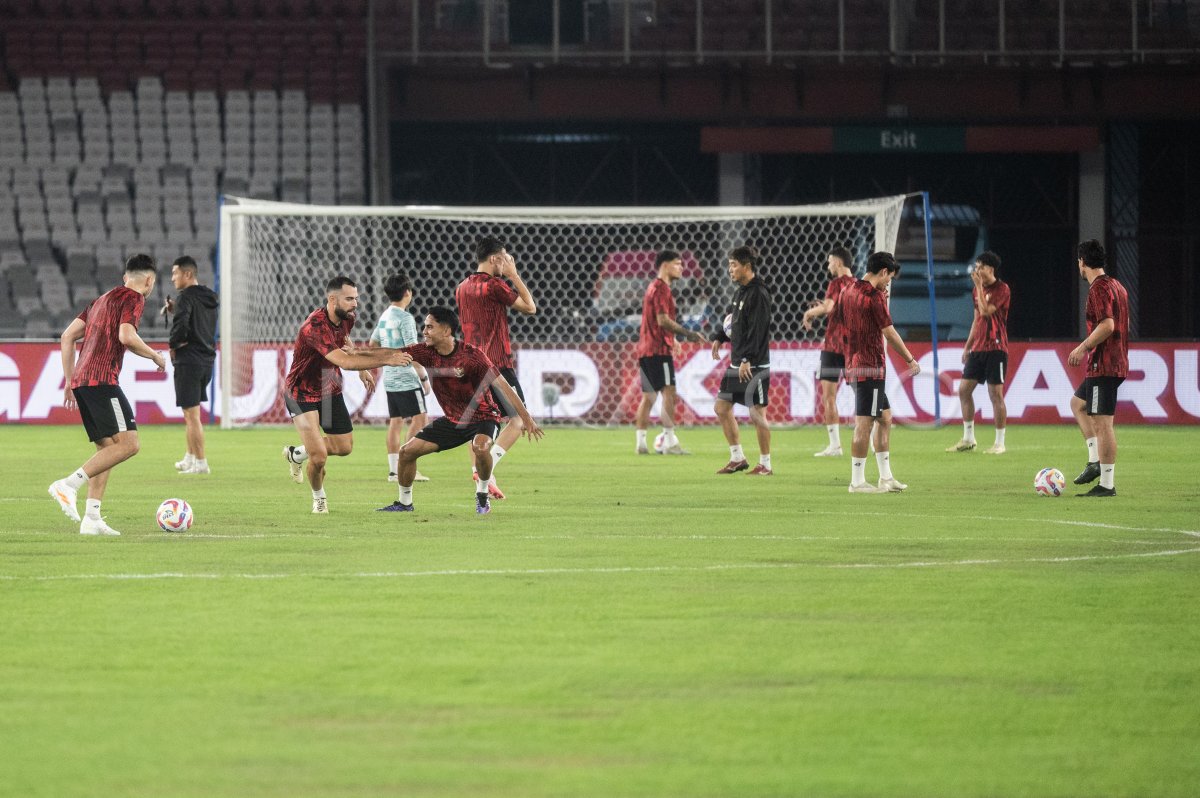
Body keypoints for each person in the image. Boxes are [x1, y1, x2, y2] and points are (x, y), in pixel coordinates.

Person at [377, 306, 544, 515]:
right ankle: (404, 503)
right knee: (406, 452)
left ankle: (482, 495)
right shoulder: (424, 352)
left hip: (484, 417)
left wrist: (526, 418)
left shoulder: (472, 356)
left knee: (481, 448)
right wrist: (354, 358)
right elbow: (388, 355)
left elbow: (503, 386)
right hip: (453, 421)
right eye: (425, 327)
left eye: (430, 327)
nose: (424, 331)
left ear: (446, 331)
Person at [48, 254, 166, 536]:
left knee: (107, 448)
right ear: (149, 280)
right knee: (129, 444)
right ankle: (68, 484)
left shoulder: (100, 300)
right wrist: (154, 356)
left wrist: (69, 380)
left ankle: (91, 518)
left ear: (127, 275)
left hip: (82, 382)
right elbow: (127, 336)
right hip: (102, 380)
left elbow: (67, 336)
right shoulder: (134, 298)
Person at [281, 276, 414, 514]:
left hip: (328, 390)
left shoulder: (347, 318)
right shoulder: (315, 327)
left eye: (356, 298)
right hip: (301, 393)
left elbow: (345, 344)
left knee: (344, 447)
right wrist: (387, 359)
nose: (355, 303)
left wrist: (363, 369)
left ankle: (296, 453)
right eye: (350, 298)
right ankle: (318, 497)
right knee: (320, 457)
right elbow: (343, 360)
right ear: (332, 299)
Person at [455, 236, 536, 499]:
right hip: (497, 365)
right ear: (494, 259)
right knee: (517, 421)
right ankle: (487, 467)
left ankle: (482, 484)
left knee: (479, 426)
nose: (508, 263)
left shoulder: (462, 287)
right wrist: (514, 275)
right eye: (506, 258)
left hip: (469, 365)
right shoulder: (495, 285)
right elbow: (530, 308)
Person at [839, 251, 921, 493]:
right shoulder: (874, 298)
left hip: (854, 363)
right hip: (870, 366)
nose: (889, 283)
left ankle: (885, 477)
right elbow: (889, 332)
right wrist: (909, 358)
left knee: (885, 418)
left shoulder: (850, 289)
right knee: (864, 423)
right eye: (889, 278)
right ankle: (857, 481)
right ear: (883, 271)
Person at [1067, 238, 1128, 497]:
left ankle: (1106, 484)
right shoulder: (1117, 286)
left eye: (1078, 261)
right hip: (1113, 362)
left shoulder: (1098, 289)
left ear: (1082, 261)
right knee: (1077, 404)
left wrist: (1082, 348)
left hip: (1104, 365)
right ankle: (1094, 462)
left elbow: (1108, 325)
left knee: (1103, 424)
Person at [635, 249, 707, 455]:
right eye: (677, 264)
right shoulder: (662, 288)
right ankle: (669, 442)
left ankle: (640, 443)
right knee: (669, 393)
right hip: (658, 350)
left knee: (648, 397)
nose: (681, 268)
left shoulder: (651, 287)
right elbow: (662, 320)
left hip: (646, 349)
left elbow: (653, 321)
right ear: (665, 265)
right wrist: (688, 333)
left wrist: (672, 338)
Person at [711, 245, 773, 476]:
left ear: (747, 266)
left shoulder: (759, 293)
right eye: (729, 265)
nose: (730, 269)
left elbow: (757, 331)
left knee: (757, 414)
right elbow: (732, 321)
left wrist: (747, 358)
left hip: (753, 365)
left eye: (734, 265)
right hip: (737, 363)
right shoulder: (740, 291)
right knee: (721, 407)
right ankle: (737, 458)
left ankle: (765, 464)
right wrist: (719, 337)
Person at [946, 250, 1011, 455]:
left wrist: (978, 286)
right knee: (964, 390)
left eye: (980, 267)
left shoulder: (1002, 289)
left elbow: (985, 311)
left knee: (995, 395)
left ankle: (999, 442)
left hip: (996, 347)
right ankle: (968, 438)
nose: (977, 270)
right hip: (979, 348)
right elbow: (977, 320)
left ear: (990, 269)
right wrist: (967, 347)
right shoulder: (978, 291)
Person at [368, 272, 431, 484]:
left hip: (390, 378)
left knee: (395, 422)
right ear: (408, 293)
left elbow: (372, 344)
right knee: (421, 420)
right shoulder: (405, 318)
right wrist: (423, 377)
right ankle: (407, 464)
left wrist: (386, 360)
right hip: (406, 377)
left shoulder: (384, 316)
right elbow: (413, 351)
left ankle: (394, 471)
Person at [161, 255, 219, 474]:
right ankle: (190, 457)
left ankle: (201, 463)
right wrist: (177, 308)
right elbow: (198, 320)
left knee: (192, 416)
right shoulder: (209, 296)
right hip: (207, 360)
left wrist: (174, 345)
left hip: (189, 360)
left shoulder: (185, 297)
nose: (172, 278)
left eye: (175, 273)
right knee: (190, 414)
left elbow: (182, 326)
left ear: (188, 274)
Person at [801, 245, 855, 457]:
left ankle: (835, 446)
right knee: (862, 395)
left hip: (833, 346)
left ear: (839, 262)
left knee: (829, 397)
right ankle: (870, 439)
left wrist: (809, 312)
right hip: (853, 347)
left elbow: (829, 308)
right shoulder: (859, 284)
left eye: (830, 260)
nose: (828, 265)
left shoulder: (835, 283)